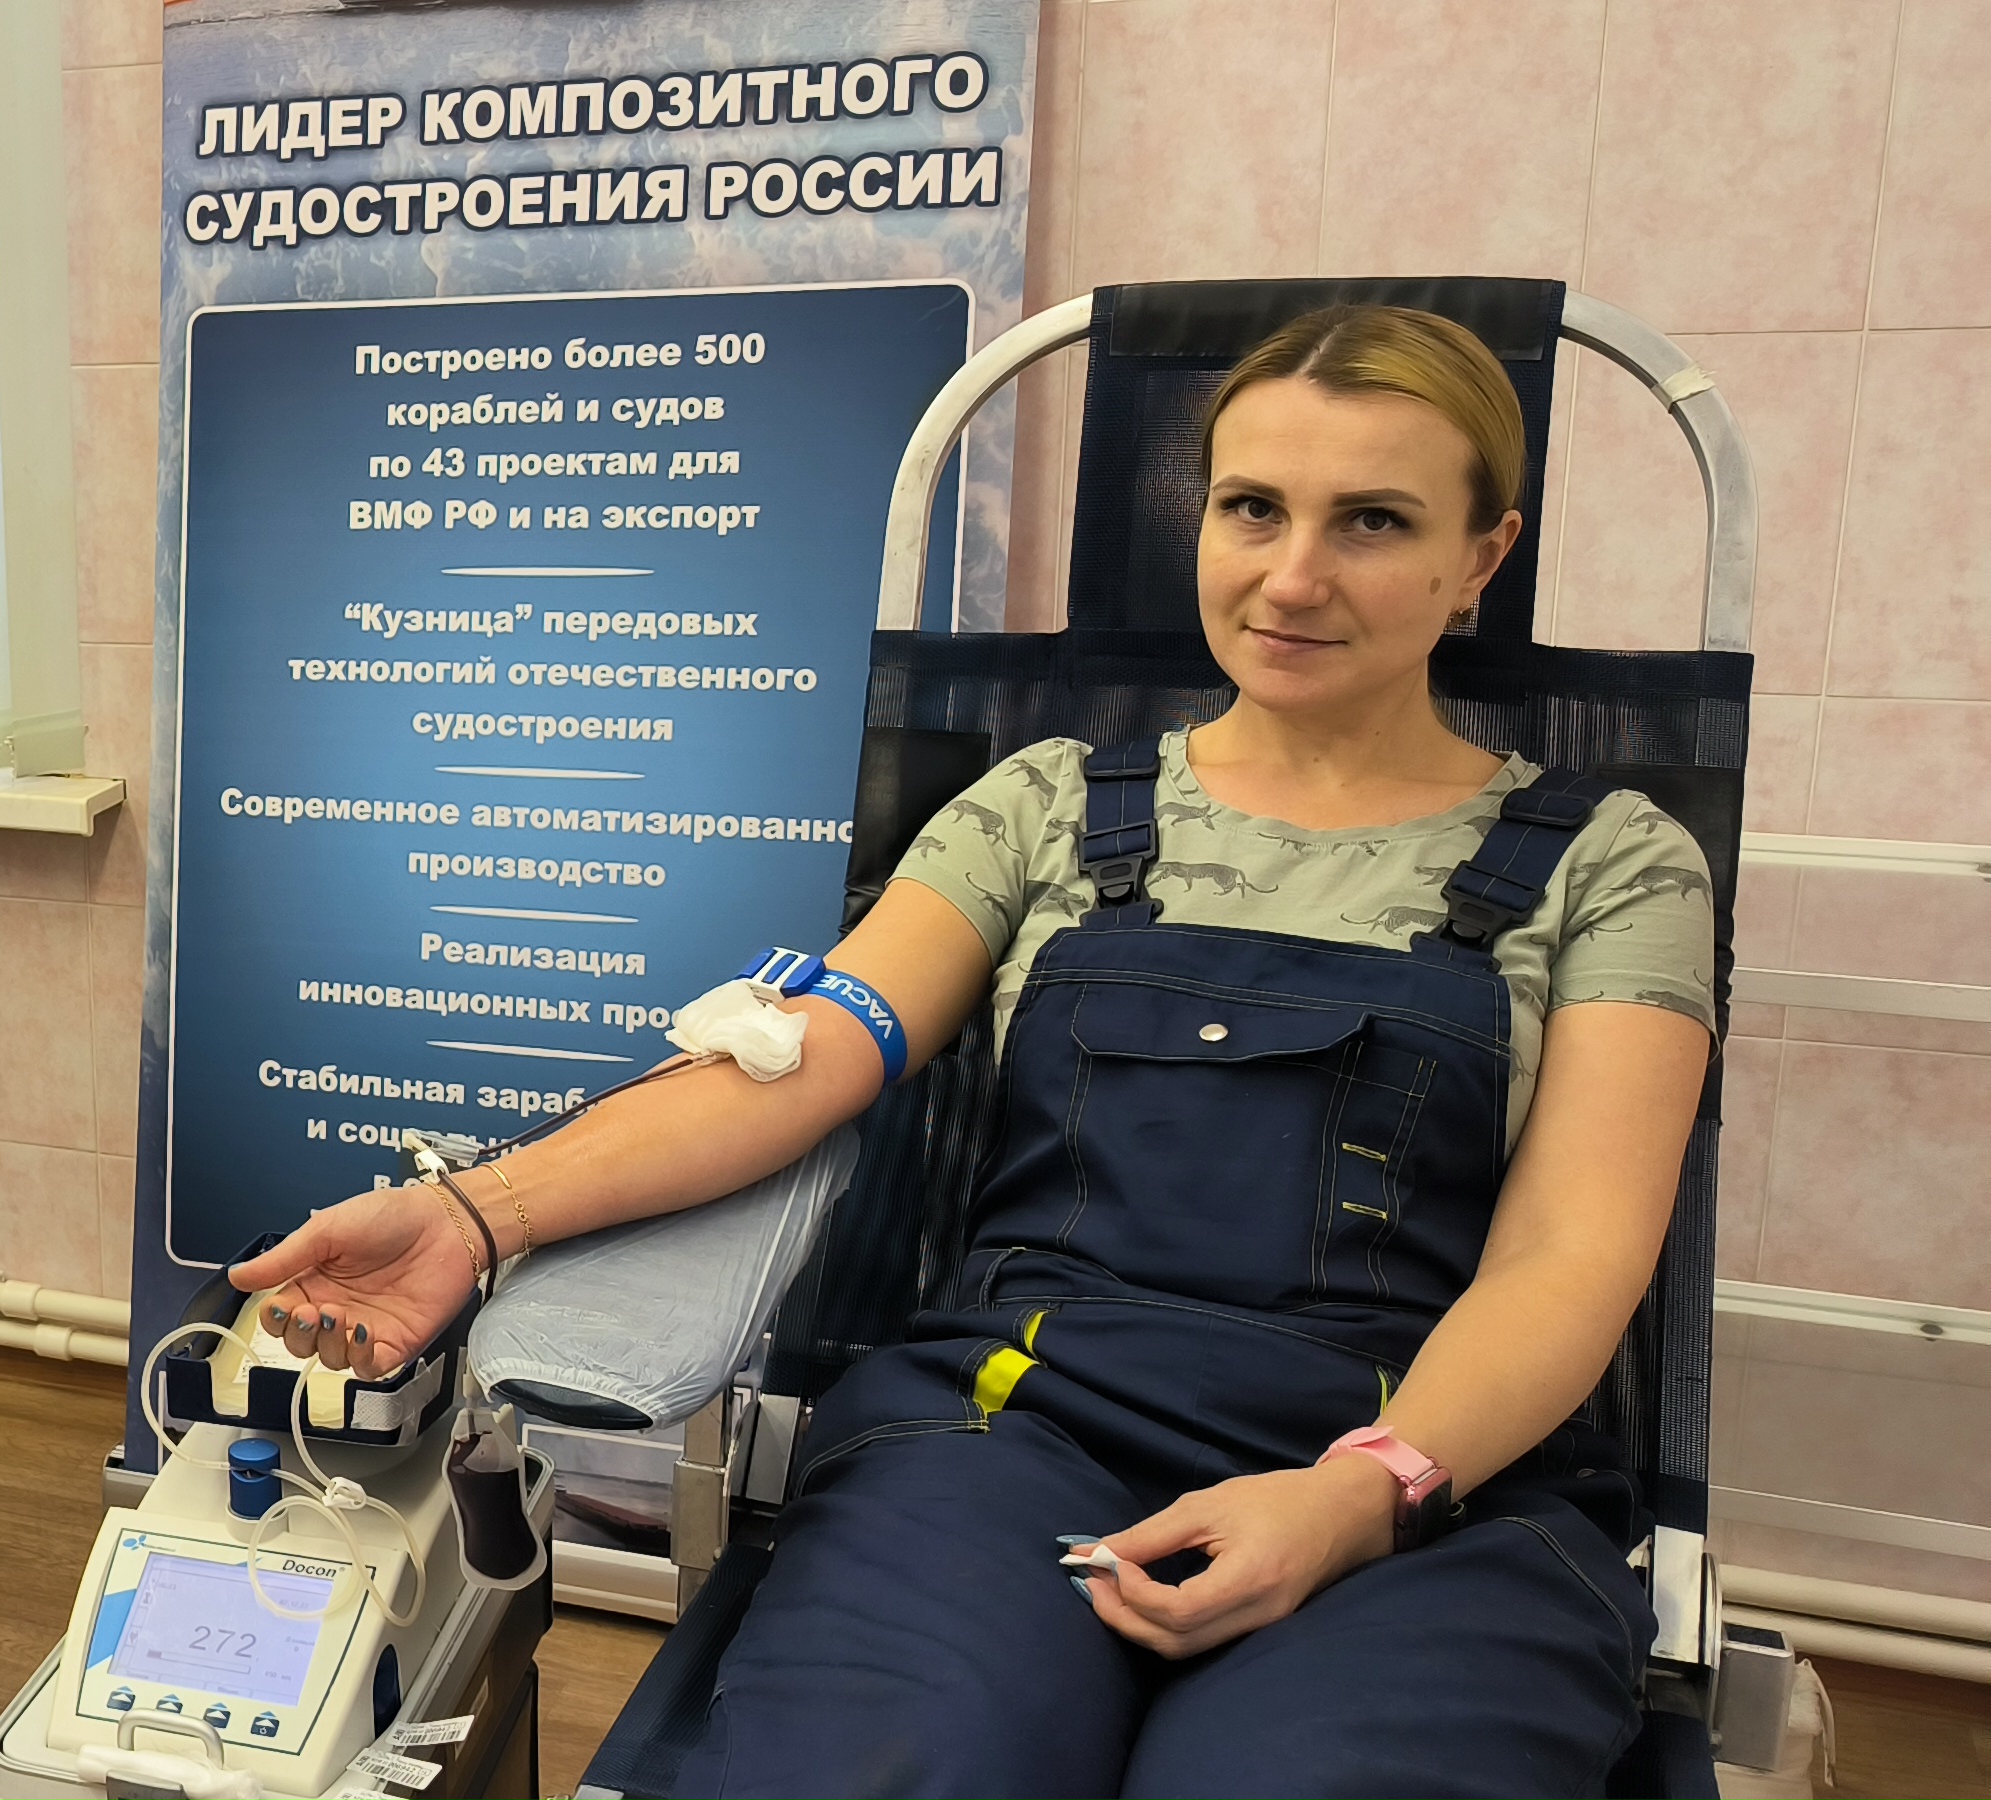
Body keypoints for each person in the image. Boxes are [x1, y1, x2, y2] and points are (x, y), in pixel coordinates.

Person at [233, 306, 1716, 1797]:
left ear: (1482, 554)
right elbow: (801, 1057)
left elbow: (1570, 1260)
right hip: (1011, 1434)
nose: (1292, 576)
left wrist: (1358, 1498)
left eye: (1373, 521)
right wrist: (475, 1212)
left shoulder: (1610, 864)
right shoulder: (1048, 807)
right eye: (1252, 508)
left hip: (1423, 1483)